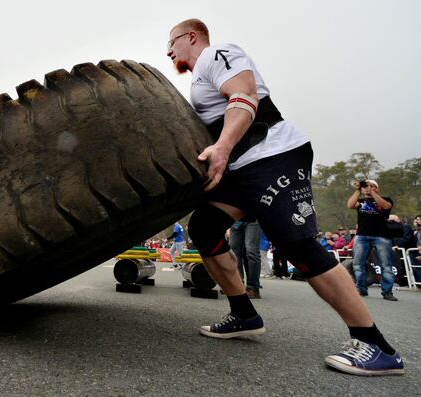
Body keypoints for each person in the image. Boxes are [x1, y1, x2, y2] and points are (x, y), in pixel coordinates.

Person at [166, 18, 403, 376]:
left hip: (270, 153)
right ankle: (244, 314)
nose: (169, 51)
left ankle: (376, 345)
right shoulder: (199, 78)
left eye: (172, 43)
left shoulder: (218, 53)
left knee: (297, 244)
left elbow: (244, 95)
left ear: (192, 37)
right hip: (241, 167)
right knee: (205, 227)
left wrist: (223, 146)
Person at [347, 180, 397, 301]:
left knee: (386, 265)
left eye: (372, 186)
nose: (368, 188)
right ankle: (361, 289)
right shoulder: (361, 202)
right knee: (358, 264)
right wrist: (358, 190)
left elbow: (386, 206)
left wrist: (373, 193)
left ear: (377, 188)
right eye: (366, 186)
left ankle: (387, 292)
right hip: (362, 236)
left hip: (381, 236)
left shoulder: (385, 199)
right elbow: (350, 205)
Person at [229, 220, 262, 298]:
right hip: (235, 220)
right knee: (234, 251)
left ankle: (253, 288)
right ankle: (237, 285)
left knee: (251, 251)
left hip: (253, 218)